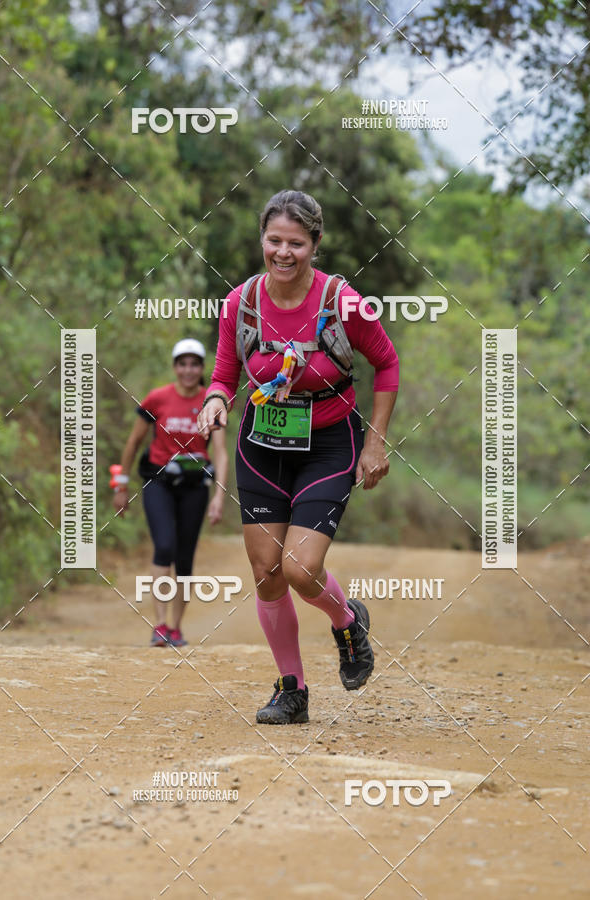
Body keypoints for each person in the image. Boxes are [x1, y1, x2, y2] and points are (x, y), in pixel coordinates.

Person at [197, 190, 399, 723]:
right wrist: (215, 401)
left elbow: (387, 364)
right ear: (262, 239)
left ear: (315, 243)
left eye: (296, 243)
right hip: (262, 447)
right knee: (267, 571)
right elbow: (223, 375)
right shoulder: (240, 303)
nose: (283, 253)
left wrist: (376, 441)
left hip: (328, 446)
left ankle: (347, 622)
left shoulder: (343, 302)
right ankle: (292, 691)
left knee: (300, 568)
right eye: (274, 241)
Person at [113, 338, 228, 647]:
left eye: (194, 365)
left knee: (184, 558)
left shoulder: (210, 401)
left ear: (202, 368)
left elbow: (220, 452)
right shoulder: (157, 398)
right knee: (164, 546)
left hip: (194, 487)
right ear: (175, 367)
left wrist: (219, 496)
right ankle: (160, 625)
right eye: (182, 364)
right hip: (159, 483)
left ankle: (176, 628)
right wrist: (121, 485)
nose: (188, 370)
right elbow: (133, 443)